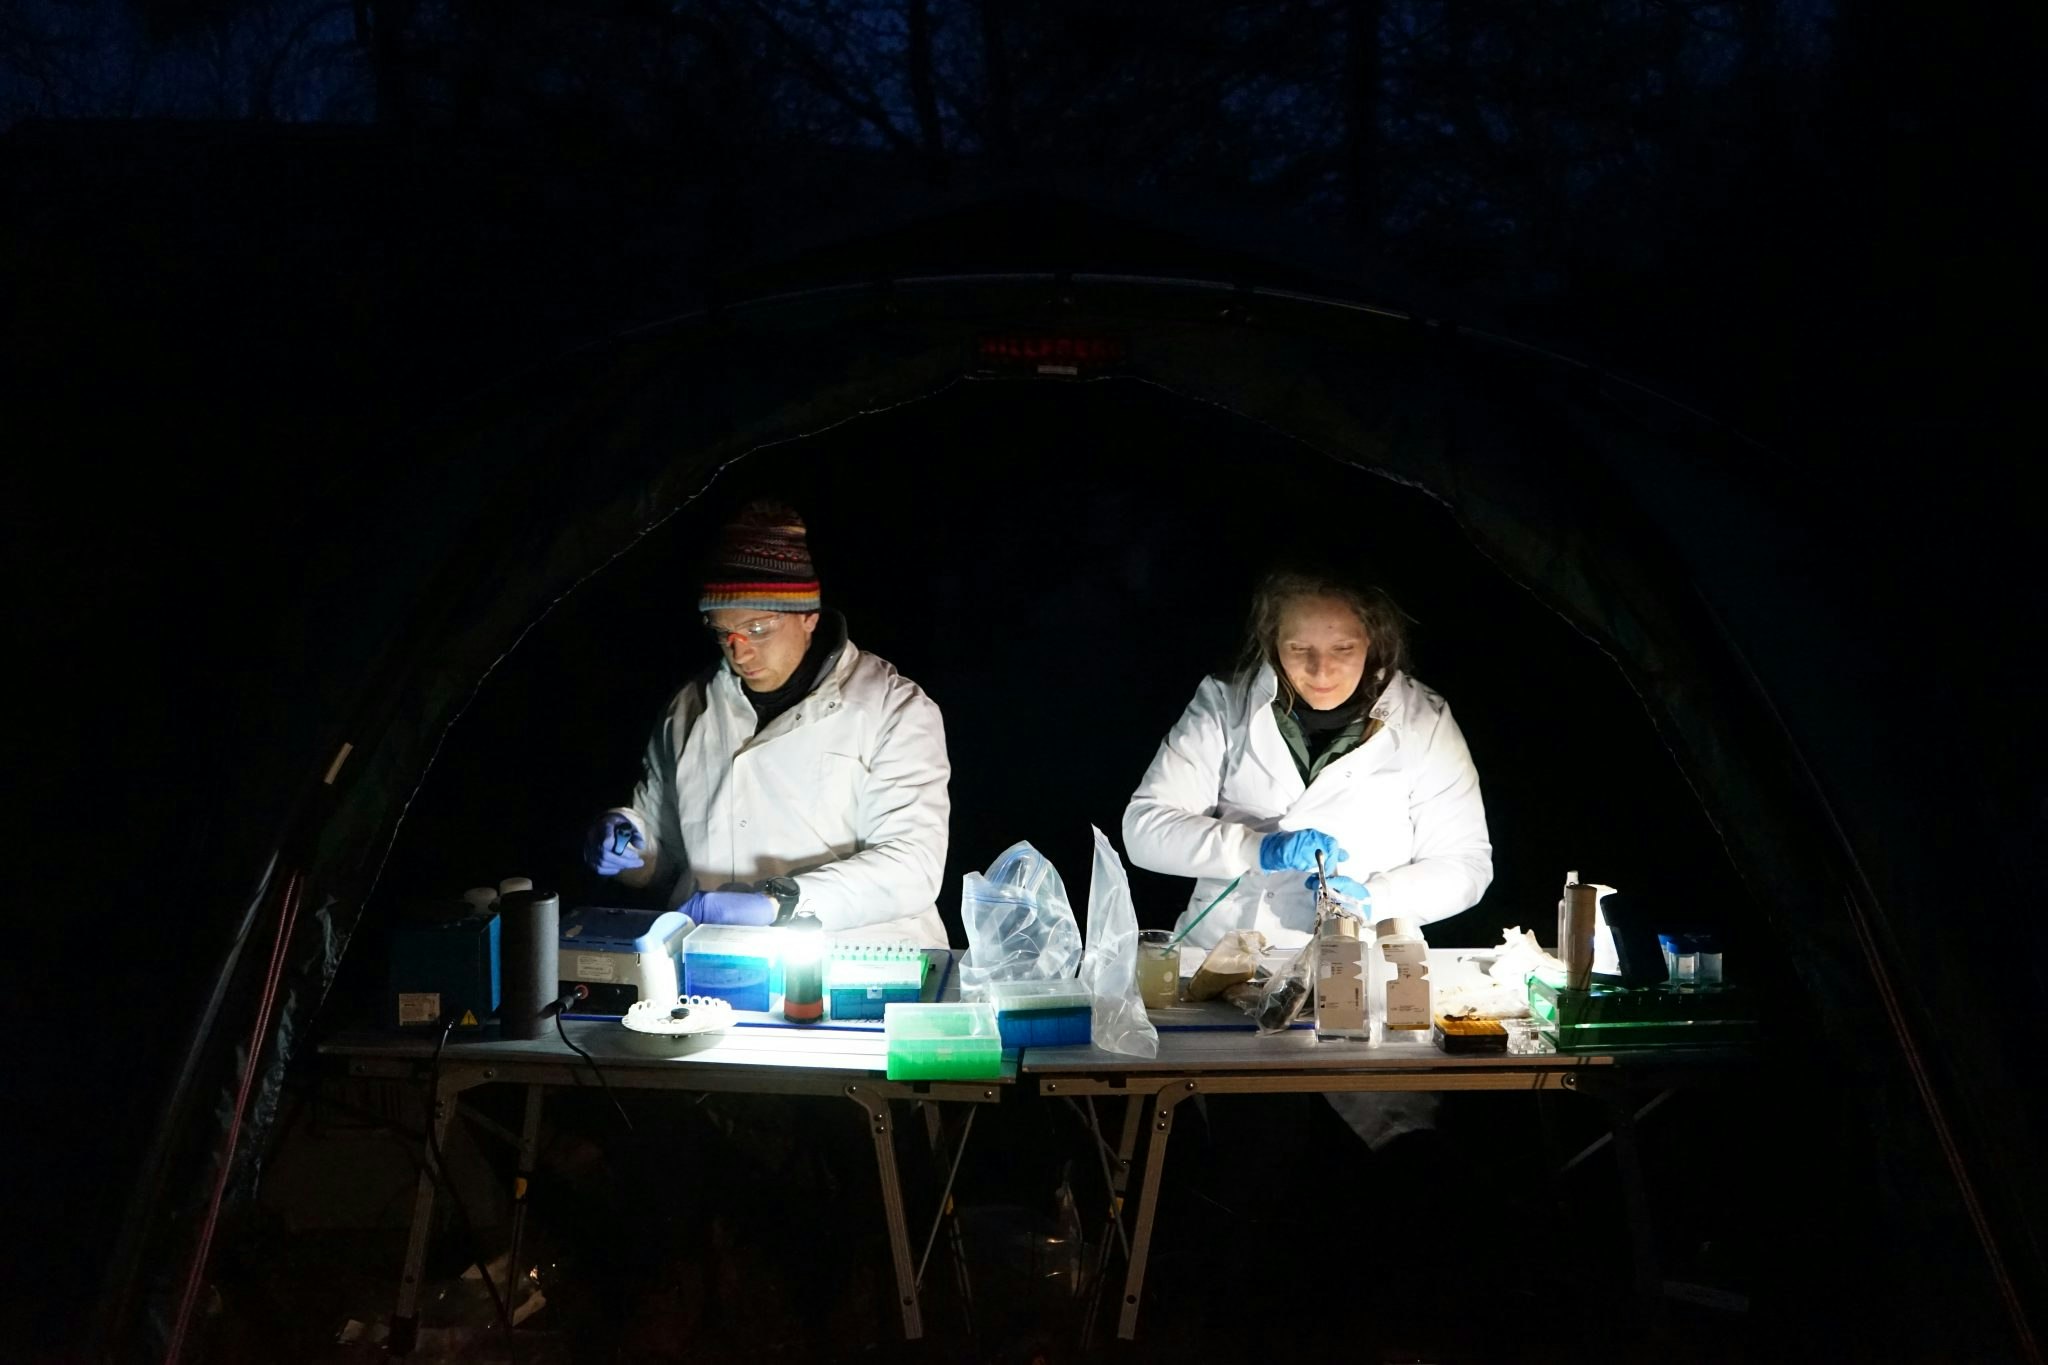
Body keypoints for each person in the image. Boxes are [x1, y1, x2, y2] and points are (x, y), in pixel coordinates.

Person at [581, 501, 951, 946]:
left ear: (809, 617)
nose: (739, 652)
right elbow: (664, 856)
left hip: (861, 968)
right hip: (715, 968)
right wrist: (628, 844)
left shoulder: (894, 708)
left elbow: (912, 866)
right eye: (723, 633)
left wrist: (781, 902)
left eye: (757, 629)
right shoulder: (689, 709)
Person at [1123, 569, 1492, 950]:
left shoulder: (1423, 720)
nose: (1321, 670)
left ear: (1373, 639)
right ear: (1273, 640)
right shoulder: (1225, 703)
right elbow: (1144, 831)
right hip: (1223, 955)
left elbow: (1466, 865)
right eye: (1299, 649)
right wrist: (1254, 849)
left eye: (1343, 649)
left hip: (1366, 958)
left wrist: (1374, 899)